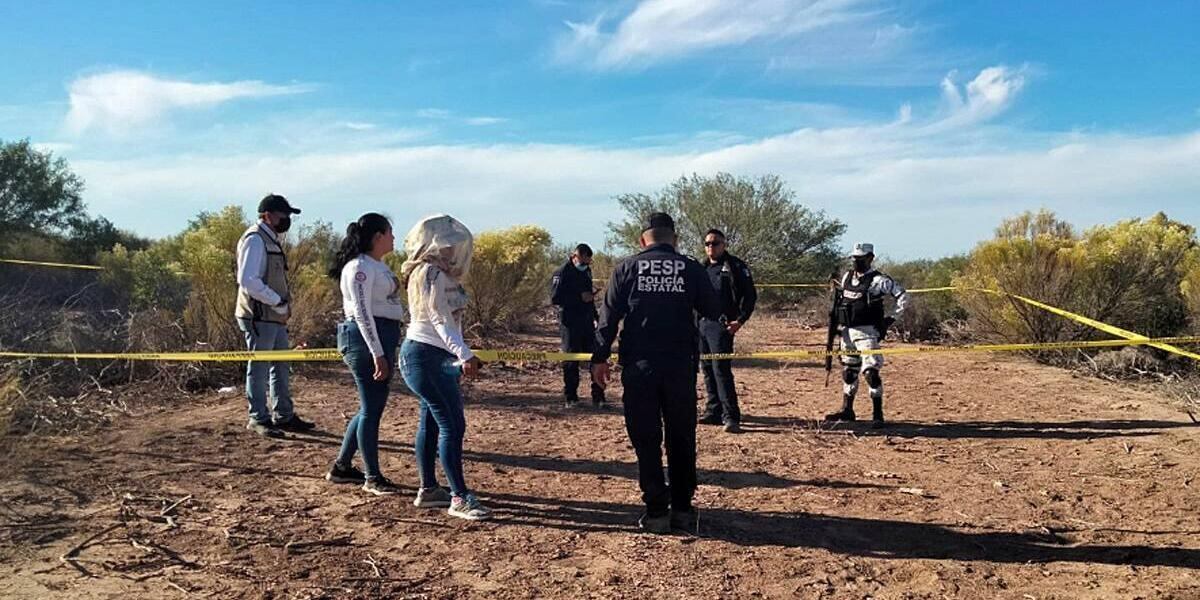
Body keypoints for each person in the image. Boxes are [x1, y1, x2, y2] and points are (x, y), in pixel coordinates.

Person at [592, 212, 720, 534]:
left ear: (642, 240)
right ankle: (683, 509)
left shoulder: (626, 268)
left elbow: (608, 318)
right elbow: (712, 309)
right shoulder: (691, 268)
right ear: (674, 239)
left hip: (640, 367)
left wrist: (599, 358)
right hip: (679, 366)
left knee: (646, 437)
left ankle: (656, 511)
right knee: (681, 435)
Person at [399, 214, 492, 521]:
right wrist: (464, 354)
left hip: (433, 355)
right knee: (452, 424)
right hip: (425, 356)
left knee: (432, 422)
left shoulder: (434, 274)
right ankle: (459, 497)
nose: (453, 251)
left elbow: (448, 321)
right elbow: (439, 319)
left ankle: (429, 489)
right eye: (448, 245)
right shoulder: (430, 273)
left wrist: (459, 352)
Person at [325, 213, 407, 495]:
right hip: (364, 340)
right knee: (372, 409)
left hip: (382, 336)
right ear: (378, 236)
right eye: (390, 232)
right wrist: (377, 352)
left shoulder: (377, 265)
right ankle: (372, 477)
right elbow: (361, 312)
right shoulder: (359, 267)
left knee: (370, 406)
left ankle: (342, 466)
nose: (394, 238)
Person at [234, 193, 315, 438]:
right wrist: (277, 301)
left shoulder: (269, 239)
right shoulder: (255, 239)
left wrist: (280, 305)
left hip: (273, 315)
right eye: (283, 215)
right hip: (259, 315)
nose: (287, 220)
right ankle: (258, 418)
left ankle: (284, 415)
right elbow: (248, 280)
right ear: (268, 216)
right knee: (259, 368)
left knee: (280, 365)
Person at [823, 243, 909, 429]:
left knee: (871, 372)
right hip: (847, 332)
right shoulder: (847, 277)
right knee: (849, 371)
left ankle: (877, 415)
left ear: (870, 258)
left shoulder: (879, 280)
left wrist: (891, 319)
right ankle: (847, 410)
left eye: (860, 258)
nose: (856, 261)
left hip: (867, 333)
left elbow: (902, 296)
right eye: (854, 258)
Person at [696, 229, 757, 433]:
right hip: (702, 325)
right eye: (707, 244)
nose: (710, 247)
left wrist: (740, 321)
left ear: (724, 245)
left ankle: (731, 416)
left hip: (722, 326)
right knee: (707, 369)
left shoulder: (735, 266)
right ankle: (713, 411)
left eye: (715, 243)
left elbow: (750, 296)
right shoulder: (702, 268)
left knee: (721, 370)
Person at [550, 243, 605, 408]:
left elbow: (588, 296)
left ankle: (598, 397)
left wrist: (595, 317)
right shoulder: (562, 273)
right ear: (575, 256)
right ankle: (571, 397)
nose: (585, 265)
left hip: (587, 320)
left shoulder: (586, 271)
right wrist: (579, 298)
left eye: (587, 263)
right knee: (571, 359)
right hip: (569, 321)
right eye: (582, 262)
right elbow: (555, 298)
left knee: (596, 356)